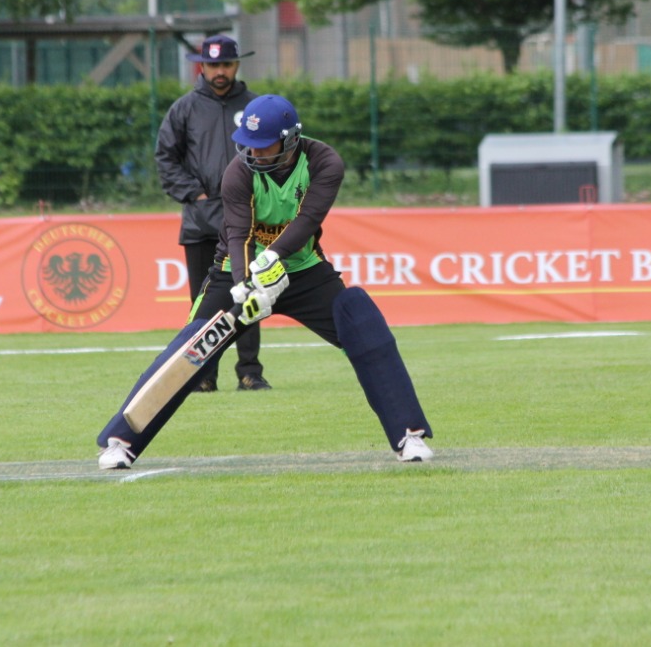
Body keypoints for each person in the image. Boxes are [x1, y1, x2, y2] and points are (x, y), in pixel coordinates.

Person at [97, 94, 434, 469]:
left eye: (263, 145)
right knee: (191, 349)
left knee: (362, 324)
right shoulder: (237, 173)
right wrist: (244, 287)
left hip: (303, 269)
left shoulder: (324, 162)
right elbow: (238, 234)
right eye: (248, 145)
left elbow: (307, 221)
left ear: (290, 139)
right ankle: (121, 441)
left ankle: (409, 436)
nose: (253, 154)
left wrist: (274, 257)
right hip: (236, 269)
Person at [157, 33, 270, 392]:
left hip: (246, 224)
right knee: (204, 304)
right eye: (213, 65)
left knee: (249, 296)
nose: (219, 72)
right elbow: (165, 158)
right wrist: (196, 193)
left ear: (236, 65)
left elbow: (276, 156)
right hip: (201, 223)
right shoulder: (183, 109)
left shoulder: (255, 107)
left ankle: (250, 372)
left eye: (226, 64)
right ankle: (204, 375)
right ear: (202, 66)